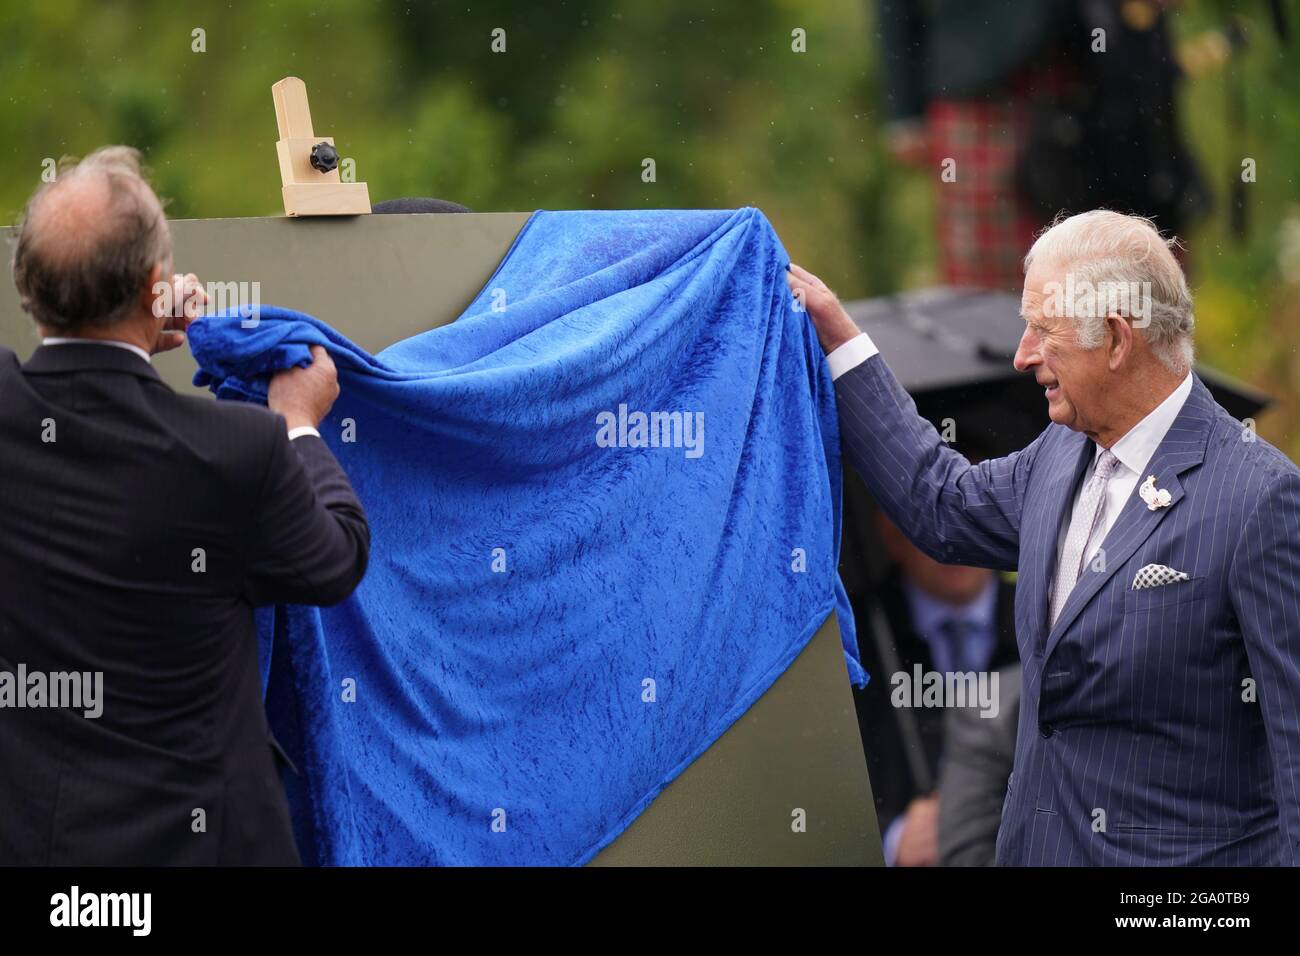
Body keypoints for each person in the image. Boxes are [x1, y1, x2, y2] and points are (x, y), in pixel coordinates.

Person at [788, 209, 1300, 865]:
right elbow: (940, 503)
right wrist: (838, 335)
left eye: (1044, 330)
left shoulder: (1262, 500)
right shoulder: (1059, 451)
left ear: (1117, 339)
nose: (1022, 354)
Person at [0, 146, 369, 865]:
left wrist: (128, 333)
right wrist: (297, 423)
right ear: (155, 286)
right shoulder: (239, 449)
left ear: (26, 290)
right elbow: (337, 558)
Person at [853, 509, 1019, 866]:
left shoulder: (1053, 615)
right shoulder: (848, 642)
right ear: (892, 533)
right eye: (938, 518)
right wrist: (890, 840)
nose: (958, 541)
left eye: (976, 516)